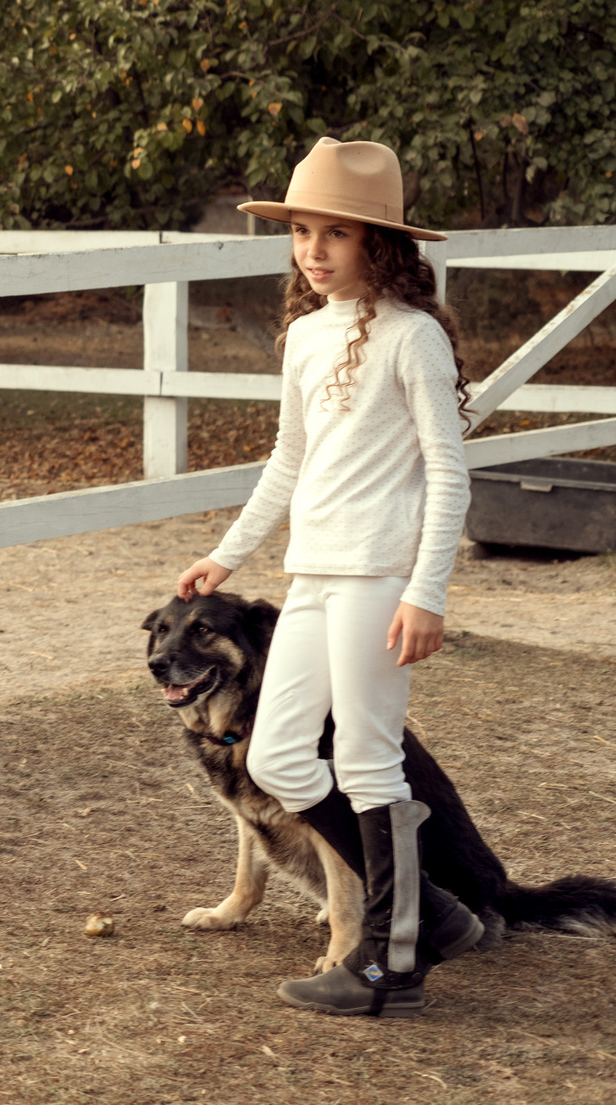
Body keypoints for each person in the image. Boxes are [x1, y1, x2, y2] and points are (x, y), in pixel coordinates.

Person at [174, 136, 483, 1016]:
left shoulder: (413, 337)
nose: (313, 250)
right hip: (312, 574)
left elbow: (449, 471)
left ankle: (392, 957)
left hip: (383, 578)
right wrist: (227, 554)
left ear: (377, 243)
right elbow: (288, 461)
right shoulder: (307, 335)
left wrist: (428, 590)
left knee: (366, 759)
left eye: (334, 233)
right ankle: (437, 914)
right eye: (302, 231)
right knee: (275, 754)